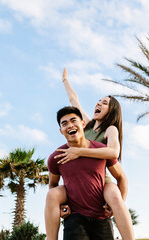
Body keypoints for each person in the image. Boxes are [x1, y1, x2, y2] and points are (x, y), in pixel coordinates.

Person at [45, 69, 134, 240]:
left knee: (115, 195)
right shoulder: (85, 125)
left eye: (105, 103)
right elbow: (74, 100)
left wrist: (78, 151)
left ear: (112, 110)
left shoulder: (110, 129)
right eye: (99, 101)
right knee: (53, 194)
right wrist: (64, 80)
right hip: (78, 181)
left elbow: (113, 151)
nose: (99, 103)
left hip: (102, 178)